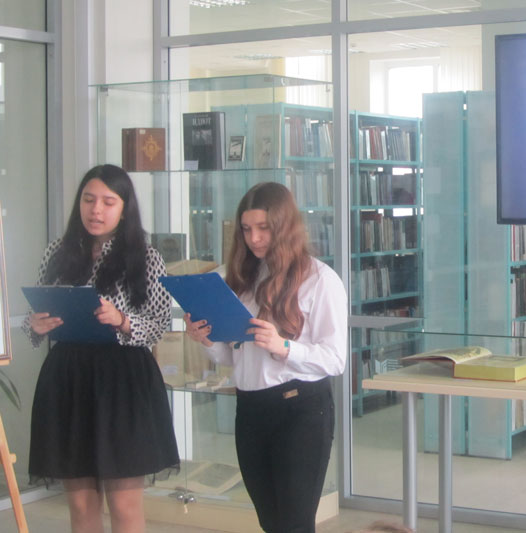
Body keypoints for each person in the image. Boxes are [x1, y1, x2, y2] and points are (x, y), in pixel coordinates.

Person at [23, 164, 179, 533]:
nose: (96, 210)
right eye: (89, 200)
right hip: (68, 378)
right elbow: (40, 313)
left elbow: (160, 324)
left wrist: (122, 320)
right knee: (80, 505)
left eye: (108, 202)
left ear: (124, 209)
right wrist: (36, 325)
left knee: (123, 505)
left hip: (123, 381)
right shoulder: (57, 253)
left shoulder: (146, 257)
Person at [184, 181, 347, 533]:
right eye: (246, 229)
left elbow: (335, 359)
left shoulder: (321, 279)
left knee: (294, 523)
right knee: (270, 522)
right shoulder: (241, 279)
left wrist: (284, 346)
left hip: (300, 409)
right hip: (251, 409)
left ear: (284, 227)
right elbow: (232, 357)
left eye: (263, 228)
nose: (254, 239)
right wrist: (206, 338)